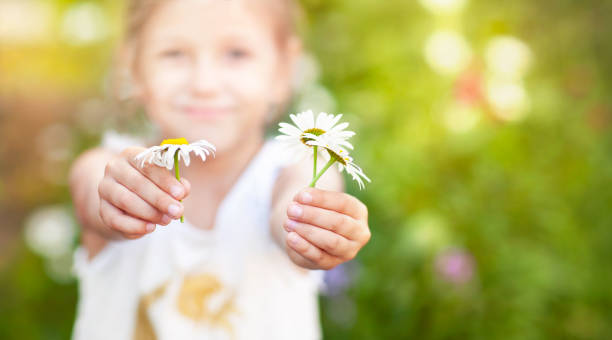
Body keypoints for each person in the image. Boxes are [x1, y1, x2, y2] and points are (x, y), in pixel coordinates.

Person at [68, 0, 371, 339]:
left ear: (284, 69)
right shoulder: (108, 168)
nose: (204, 84)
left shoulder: (293, 170)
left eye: (236, 54)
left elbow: (297, 201)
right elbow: (94, 192)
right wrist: (115, 197)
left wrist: (310, 225)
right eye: (174, 54)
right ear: (133, 67)